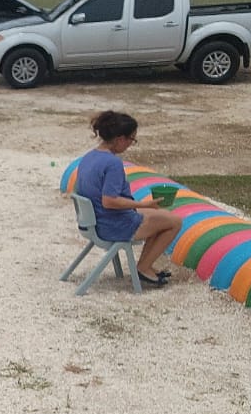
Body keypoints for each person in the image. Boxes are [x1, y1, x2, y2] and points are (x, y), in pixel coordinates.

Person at [73, 110, 183, 288]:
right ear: (120, 139)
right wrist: (142, 204)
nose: (131, 145)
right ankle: (143, 267)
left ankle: (145, 266)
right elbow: (109, 200)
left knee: (161, 215)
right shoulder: (113, 164)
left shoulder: (90, 156)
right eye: (132, 140)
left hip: (92, 221)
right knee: (174, 222)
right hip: (112, 225)